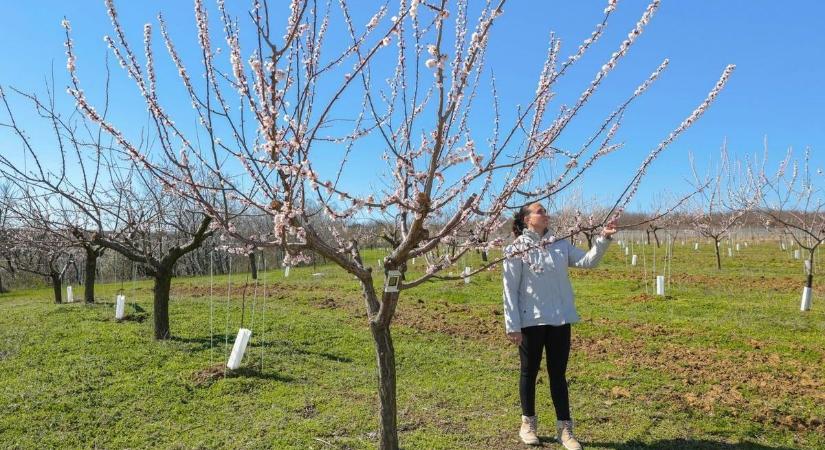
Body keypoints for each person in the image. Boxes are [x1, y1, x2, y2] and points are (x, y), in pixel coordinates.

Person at [502, 202, 616, 448]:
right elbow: (509, 289)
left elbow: (587, 261)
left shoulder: (559, 244)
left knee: (558, 375)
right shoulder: (516, 248)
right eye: (540, 211)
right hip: (530, 320)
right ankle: (528, 424)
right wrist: (513, 325)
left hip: (560, 319)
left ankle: (564, 429)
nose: (545, 214)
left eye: (545, 211)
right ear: (526, 219)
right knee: (529, 372)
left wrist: (603, 239)